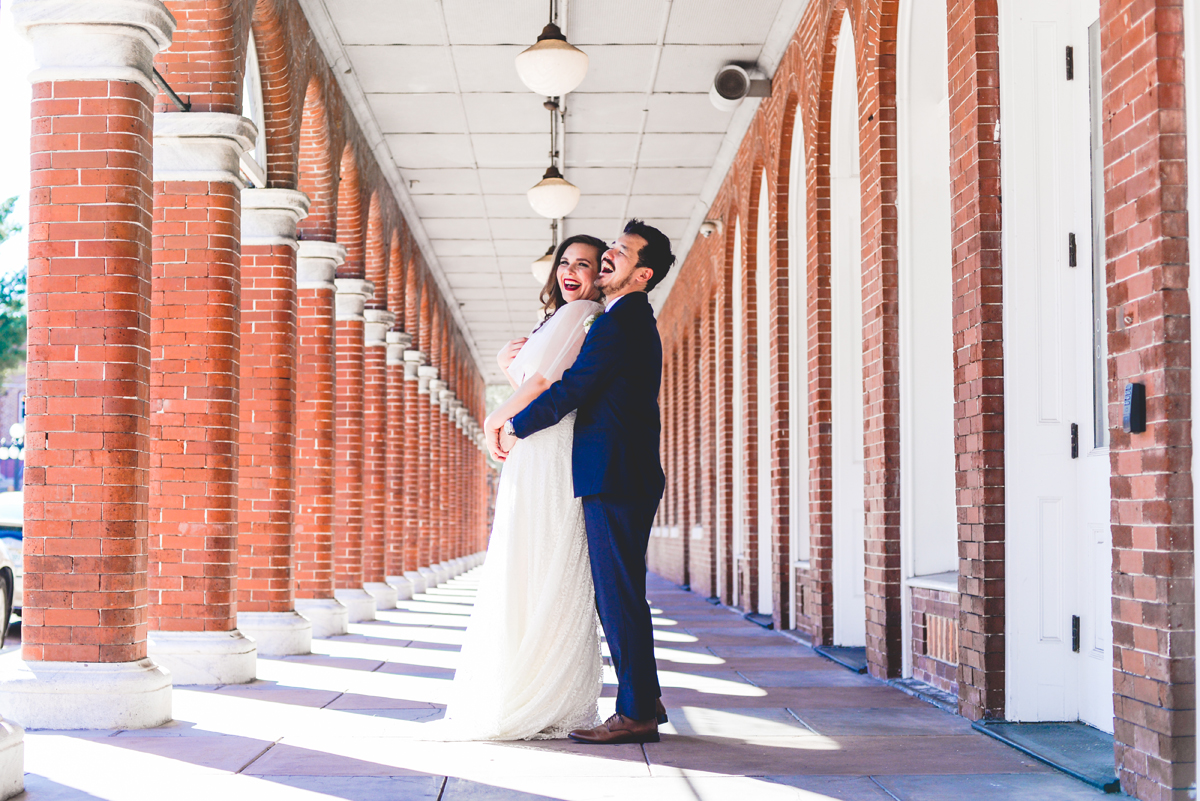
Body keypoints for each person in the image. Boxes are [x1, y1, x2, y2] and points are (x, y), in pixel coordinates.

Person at [488, 219, 675, 745]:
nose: (611, 255)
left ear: (643, 274)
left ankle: (636, 711)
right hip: (617, 472)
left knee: (618, 596)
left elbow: (574, 388)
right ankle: (646, 696)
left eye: (622, 252)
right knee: (619, 593)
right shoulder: (621, 319)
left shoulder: (623, 322)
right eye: (612, 247)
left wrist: (514, 426)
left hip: (615, 474)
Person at [438, 234, 608, 741]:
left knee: (538, 558)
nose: (570, 271)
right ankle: (534, 683)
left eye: (585, 263)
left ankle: (540, 690)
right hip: (540, 443)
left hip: (546, 445)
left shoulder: (582, 314)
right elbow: (536, 378)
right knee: (532, 558)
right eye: (565, 262)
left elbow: (536, 386)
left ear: (602, 273)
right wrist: (504, 366)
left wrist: (494, 420)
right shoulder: (568, 318)